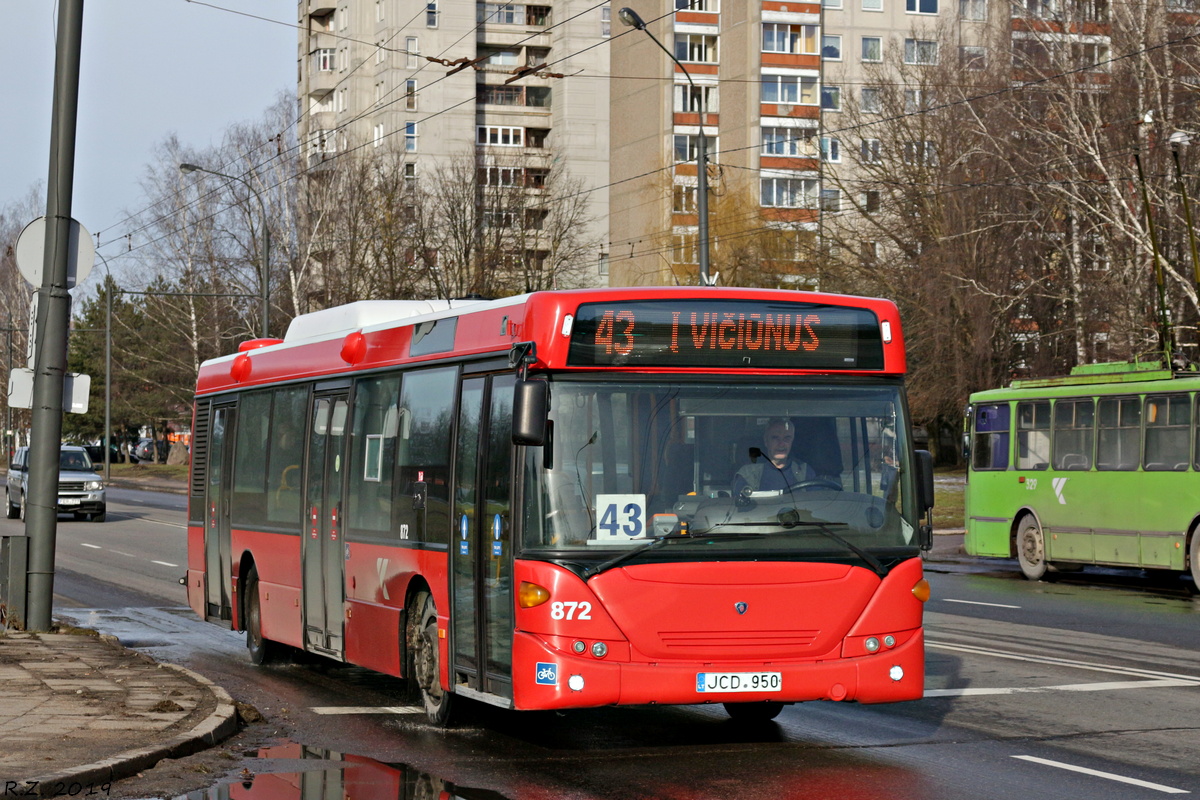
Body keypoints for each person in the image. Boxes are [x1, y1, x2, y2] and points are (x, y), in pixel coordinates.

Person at [733, 418, 827, 494]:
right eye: (775, 438)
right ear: (766, 441)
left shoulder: (805, 471)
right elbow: (740, 511)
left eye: (787, 438)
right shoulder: (748, 474)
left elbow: (815, 505)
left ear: (792, 441)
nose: (781, 444)